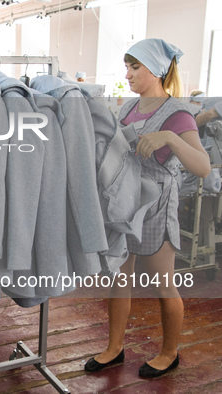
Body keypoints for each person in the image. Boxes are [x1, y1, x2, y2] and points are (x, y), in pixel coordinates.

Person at [84, 38, 211, 378]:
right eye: (127, 66)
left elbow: (203, 166)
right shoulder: (128, 107)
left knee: (162, 283)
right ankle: (114, 348)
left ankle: (169, 353)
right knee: (118, 278)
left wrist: (170, 139)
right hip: (126, 201)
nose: (128, 73)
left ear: (155, 70)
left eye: (134, 66)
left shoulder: (178, 114)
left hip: (156, 205)